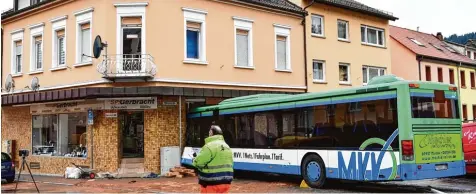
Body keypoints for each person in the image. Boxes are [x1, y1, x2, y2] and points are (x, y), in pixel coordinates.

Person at [193, 125, 233, 193]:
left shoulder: (209, 146)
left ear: (211, 132)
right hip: (226, 182)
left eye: (209, 132)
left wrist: (194, 160)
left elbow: (198, 162)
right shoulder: (227, 147)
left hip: (211, 183)